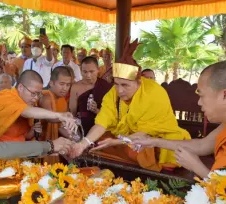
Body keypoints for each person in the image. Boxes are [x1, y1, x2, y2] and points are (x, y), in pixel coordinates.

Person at [70, 38, 191, 172]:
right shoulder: (113, 93)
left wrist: (116, 142)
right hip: (125, 137)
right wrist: (83, 143)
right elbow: (102, 121)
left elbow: (144, 134)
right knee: (99, 142)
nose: (119, 90)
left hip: (154, 138)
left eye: (125, 85)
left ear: (138, 81)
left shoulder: (154, 93)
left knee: (143, 150)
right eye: (116, 84)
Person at [0, 70, 77, 142]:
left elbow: (24, 135)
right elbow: (26, 111)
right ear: (20, 87)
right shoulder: (5, 96)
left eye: (38, 94)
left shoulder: (28, 102)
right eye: (33, 93)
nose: (36, 98)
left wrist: (32, 131)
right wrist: (59, 115)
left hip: (19, 153)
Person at [69, 56, 113, 135]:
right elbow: (73, 113)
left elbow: (111, 115)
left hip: (102, 128)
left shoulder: (106, 87)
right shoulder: (75, 87)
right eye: (84, 72)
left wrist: (96, 110)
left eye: (91, 71)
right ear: (80, 70)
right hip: (82, 127)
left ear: (98, 70)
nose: (88, 76)